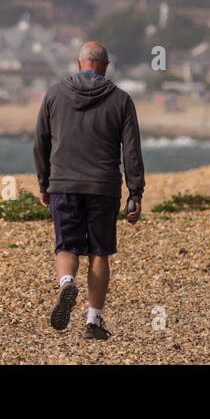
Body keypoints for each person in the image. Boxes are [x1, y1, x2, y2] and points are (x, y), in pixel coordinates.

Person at [34, 41, 145, 340]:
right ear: (106, 67)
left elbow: (41, 142)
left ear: (78, 63)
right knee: (99, 251)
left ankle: (67, 282)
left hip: (63, 184)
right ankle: (93, 322)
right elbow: (132, 151)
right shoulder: (121, 99)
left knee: (66, 246)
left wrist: (44, 183)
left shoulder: (54, 94)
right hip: (103, 187)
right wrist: (135, 192)